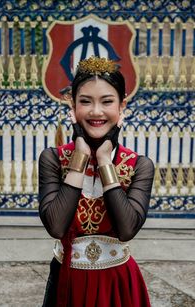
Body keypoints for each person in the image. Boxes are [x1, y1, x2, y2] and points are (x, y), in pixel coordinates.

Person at [38, 56, 155, 307]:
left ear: (122, 106)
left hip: (118, 285)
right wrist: (80, 158)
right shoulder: (53, 159)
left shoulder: (139, 166)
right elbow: (56, 227)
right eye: (85, 101)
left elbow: (127, 230)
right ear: (73, 105)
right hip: (66, 283)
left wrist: (104, 160)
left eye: (107, 101)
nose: (96, 111)